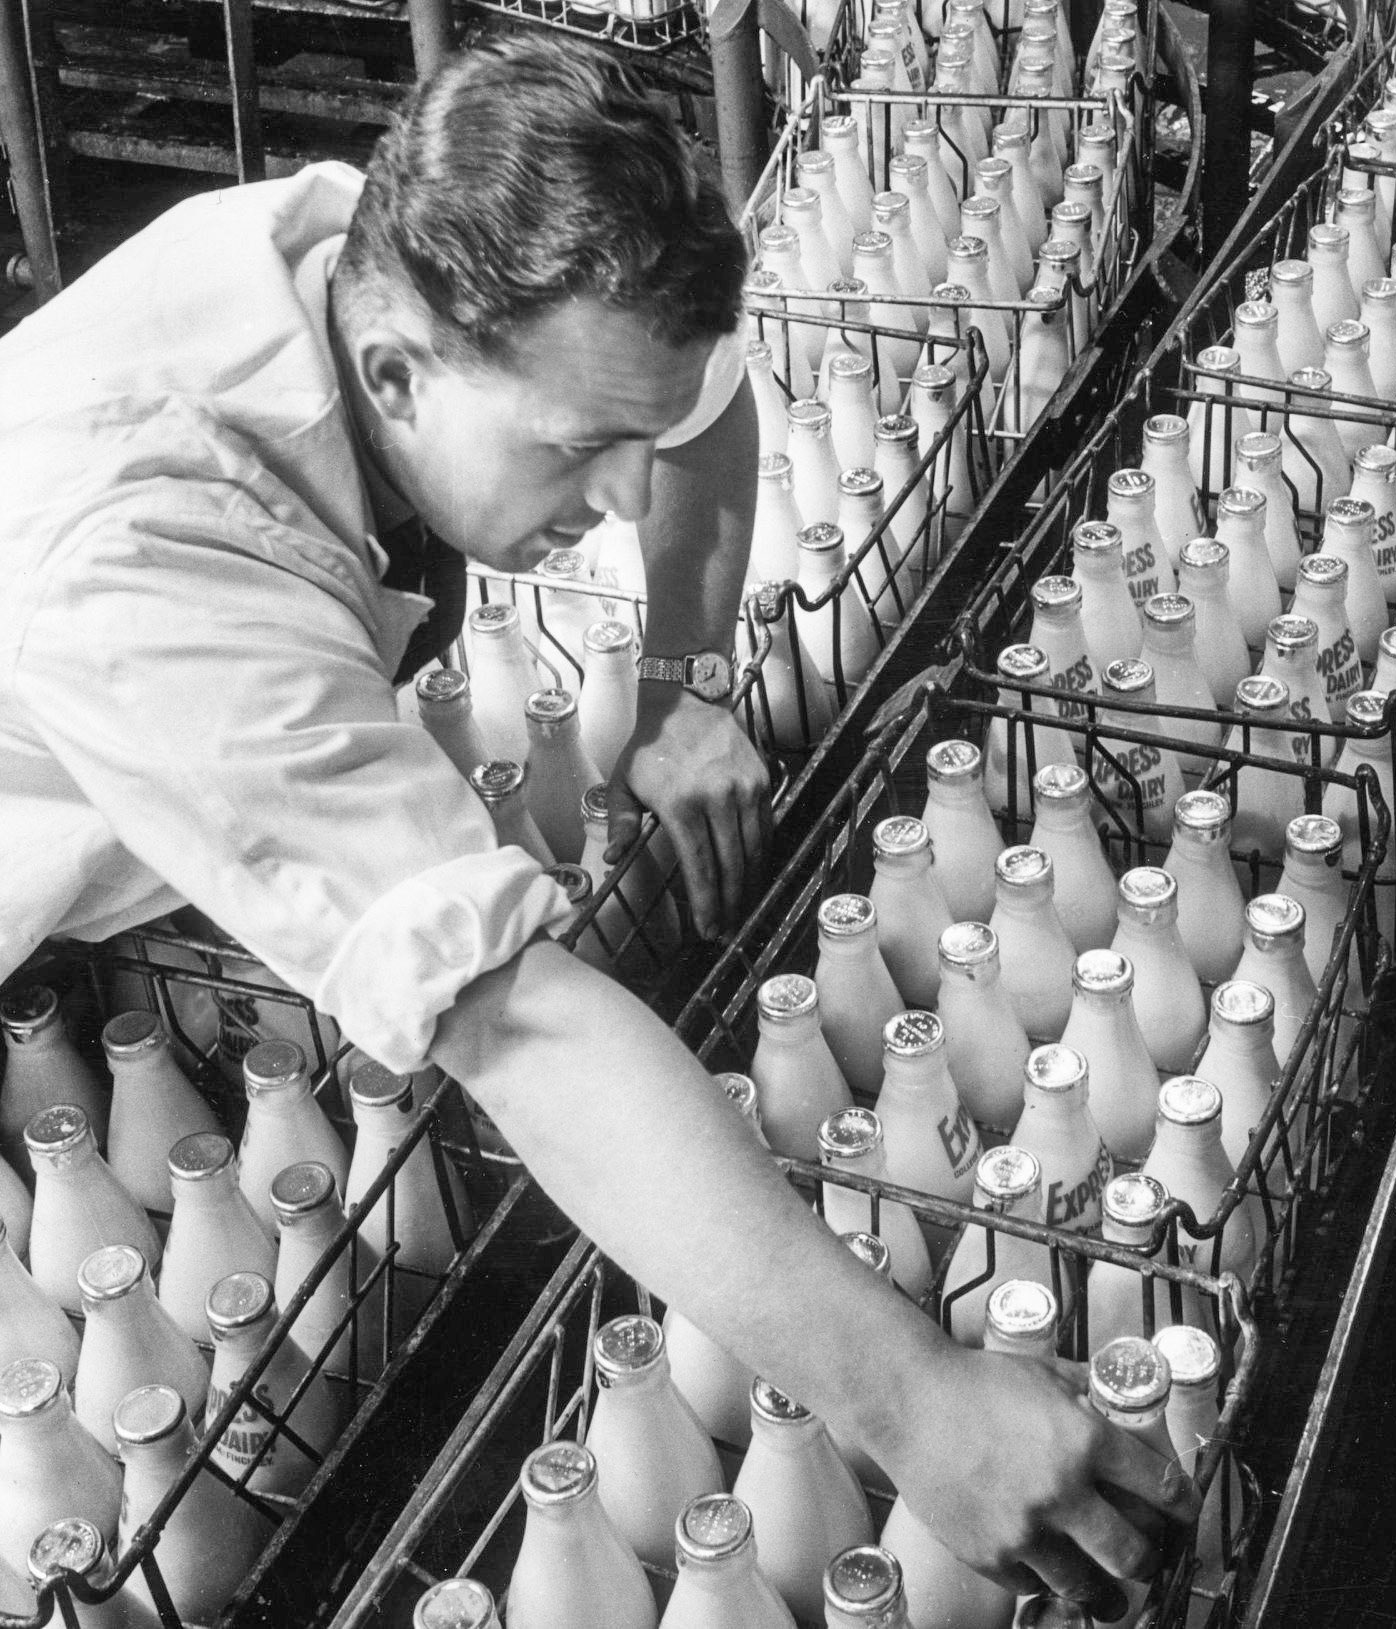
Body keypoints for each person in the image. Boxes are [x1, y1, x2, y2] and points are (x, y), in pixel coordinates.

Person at [0, 30, 1195, 1613]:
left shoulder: (390, 263)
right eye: (576, 451)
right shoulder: (159, 561)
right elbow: (517, 1028)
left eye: (621, 438)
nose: (624, 502)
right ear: (397, 375)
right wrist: (908, 1400)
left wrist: (694, 679)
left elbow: (697, 408)